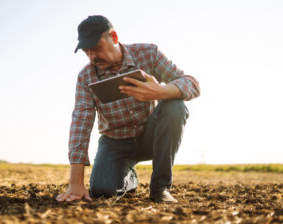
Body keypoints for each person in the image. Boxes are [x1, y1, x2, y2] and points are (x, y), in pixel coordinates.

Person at [56, 15, 200, 203]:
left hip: (150, 136)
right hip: (114, 143)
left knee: (175, 106)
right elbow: (80, 124)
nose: (92, 57)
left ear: (114, 37)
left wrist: (161, 91)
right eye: (86, 52)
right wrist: (75, 182)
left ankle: (160, 188)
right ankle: (127, 176)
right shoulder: (86, 77)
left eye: (97, 49)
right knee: (102, 190)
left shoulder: (148, 54)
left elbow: (192, 83)